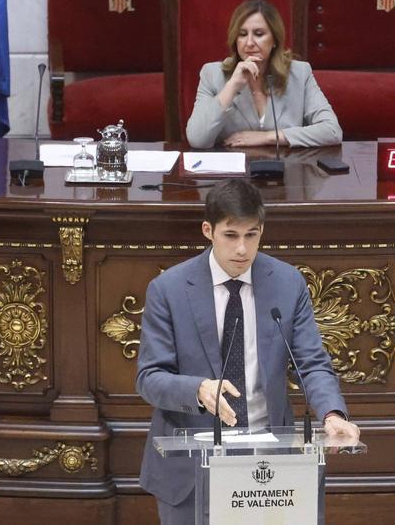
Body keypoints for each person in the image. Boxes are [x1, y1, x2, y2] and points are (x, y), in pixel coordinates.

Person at [136, 178, 359, 524]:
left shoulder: (287, 284)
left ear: (261, 231)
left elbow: (312, 363)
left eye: (251, 235)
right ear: (208, 231)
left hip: (271, 464)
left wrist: (332, 413)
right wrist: (198, 389)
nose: (242, 249)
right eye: (231, 235)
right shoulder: (168, 289)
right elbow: (150, 378)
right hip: (190, 467)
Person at [186, 0, 342, 149]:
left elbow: (332, 131)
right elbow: (197, 139)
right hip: (235, 167)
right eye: (242, 34)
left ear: (274, 39)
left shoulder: (299, 73)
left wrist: (267, 137)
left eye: (259, 34)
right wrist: (232, 86)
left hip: (286, 165)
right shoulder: (213, 74)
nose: (249, 43)